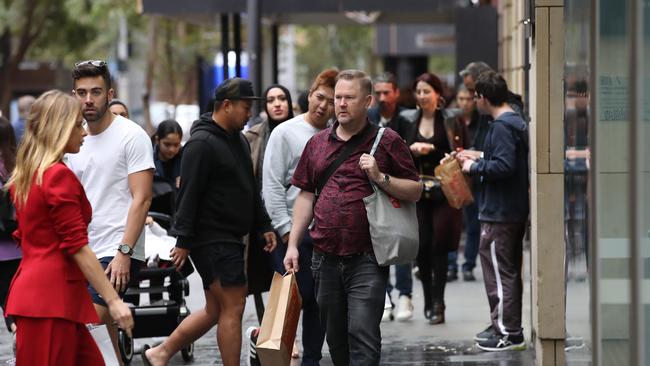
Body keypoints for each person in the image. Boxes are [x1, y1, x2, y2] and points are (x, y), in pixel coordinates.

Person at [284, 70, 422, 365]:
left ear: (367, 101)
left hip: (367, 257)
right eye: (338, 98)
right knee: (335, 339)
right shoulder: (317, 144)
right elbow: (305, 195)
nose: (342, 104)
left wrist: (380, 176)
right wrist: (293, 243)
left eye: (350, 98)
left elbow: (415, 190)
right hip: (324, 258)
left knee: (362, 332)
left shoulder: (388, 141)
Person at [142, 77, 277, 366]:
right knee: (234, 304)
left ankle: (161, 352)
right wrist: (184, 241)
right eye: (244, 107)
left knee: (216, 309)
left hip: (231, 235)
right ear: (226, 106)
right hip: (211, 238)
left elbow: (250, 187)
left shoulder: (238, 139)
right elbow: (187, 194)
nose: (249, 113)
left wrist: (263, 224)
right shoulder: (201, 144)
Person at [5, 90, 133, 365]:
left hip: (47, 298)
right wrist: (113, 300)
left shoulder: (31, 174)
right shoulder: (56, 175)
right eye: (77, 125)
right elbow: (76, 245)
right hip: (51, 300)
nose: (84, 132)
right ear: (59, 129)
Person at [67, 60, 154, 364]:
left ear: (109, 94)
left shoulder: (132, 135)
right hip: (80, 248)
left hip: (117, 249)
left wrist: (124, 252)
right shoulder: (71, 139)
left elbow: (142, 199)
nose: (88, 99)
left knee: (92, 323)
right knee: (99, 336)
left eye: (95, 92)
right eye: (81, 92)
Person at [262, 70, 339, 365]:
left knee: (319, 302)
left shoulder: (336, 134)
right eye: (320, 97)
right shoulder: (285, 132)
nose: (323, 105)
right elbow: (271, 185)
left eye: (331, 101)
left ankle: (312, 359)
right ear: (310, 94)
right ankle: (271, 354)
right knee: (292, 300)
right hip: (292, 233)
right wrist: (285, 230)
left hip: (325, 233)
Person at [455, 70, 529, 352]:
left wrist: (474, 166)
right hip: (507, 210)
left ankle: (509, 333)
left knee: (500, 273)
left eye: (476, 97)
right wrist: (480, 155)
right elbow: (504, 158)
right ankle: (503, 325)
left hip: (501, 212)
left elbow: (505, 166)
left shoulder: (501, 125)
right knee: (505, 271)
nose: (475, 102)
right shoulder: (513, 122)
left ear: (484, 98)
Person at [402, 72, 467, 325]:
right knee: (423, 246)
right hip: (417, 190)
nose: (422, 96)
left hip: (444, 188)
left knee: (439, 245)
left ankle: (439, 303)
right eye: (418, 92)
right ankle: (428, 299)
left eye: (427, 91)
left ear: (438, 94)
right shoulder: (408, 120)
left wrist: (434, 150)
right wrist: (411, 150)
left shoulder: (451, 120)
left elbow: (460, 153)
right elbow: (397, 153)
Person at [244, 84, 293, 325]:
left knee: (301, 281)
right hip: (265, 221)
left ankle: (285, 331)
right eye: (271, 99)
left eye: (282, 98)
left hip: (301, 217)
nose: (277, 103)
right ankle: (280, 334)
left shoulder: (303, 132)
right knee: (279, 275)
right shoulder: (252, 136)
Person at [367, 72, 415, 322]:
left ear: (396, 92)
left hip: (400, 186)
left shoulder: (406, 119)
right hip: (375, 190)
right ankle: (385, 295)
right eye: (379, 93)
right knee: (380, 241)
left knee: (401, 239)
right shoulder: (369, 118)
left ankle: (405, 294)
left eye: (387, 92)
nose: (383, 98)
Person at [447, 85, 482, 282]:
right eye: (461, 98)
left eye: (468, 99)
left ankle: (468, 264)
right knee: (453, 224)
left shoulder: (481, 121)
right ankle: (451, 264)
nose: (464, 103)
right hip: (453, 178)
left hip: (474, 178)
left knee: (473, 225)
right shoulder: (451, 120)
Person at [0, 116, 19, 354]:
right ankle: (19, 329)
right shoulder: (19, 165)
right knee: (15, 296)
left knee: (5, 296)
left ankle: (17, 331)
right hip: (19, 245)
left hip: (1, 250)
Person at [153, 119, 183, 190]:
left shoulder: (185, 157)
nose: (171, 149)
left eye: (176, 145)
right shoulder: (148, 157)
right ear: (157, 140)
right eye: (167, 144)